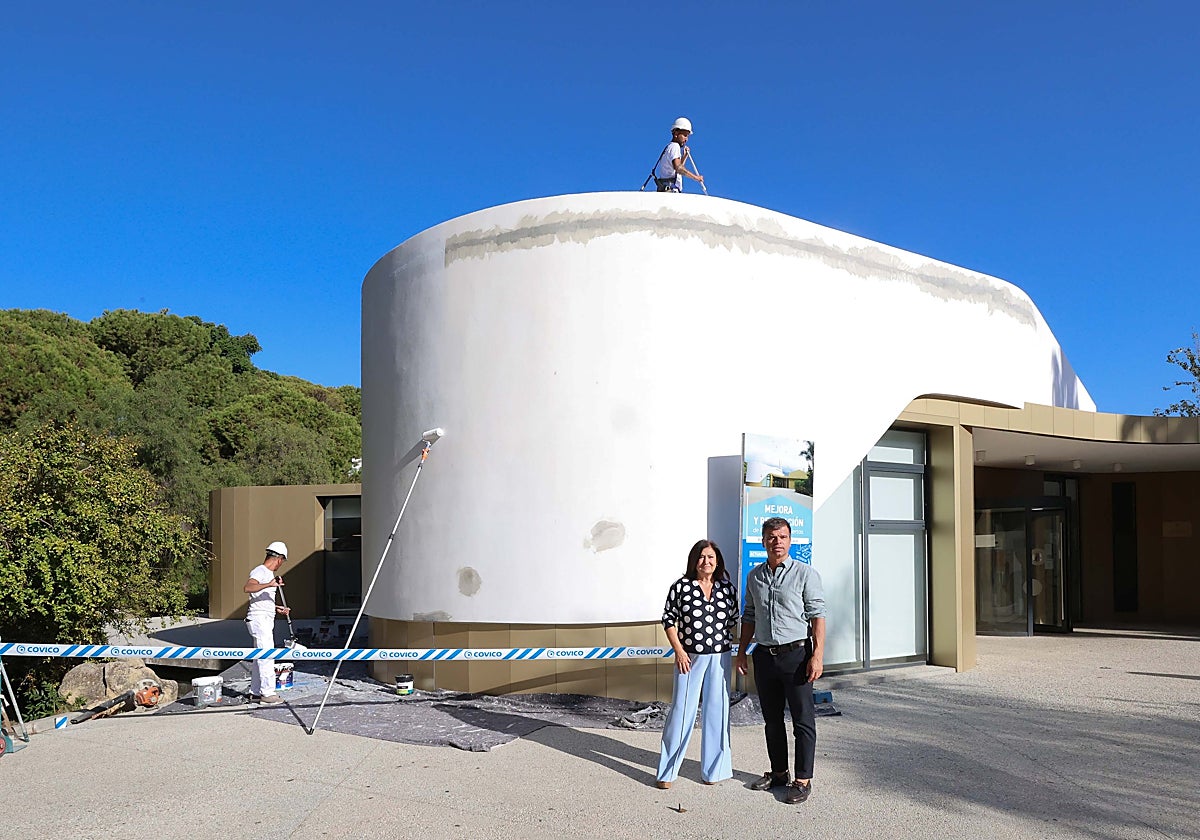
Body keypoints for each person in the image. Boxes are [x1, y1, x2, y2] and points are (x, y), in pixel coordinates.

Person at [735, 517, 826, 804]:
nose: (778, 542)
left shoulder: (805, 574)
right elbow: (749, 616)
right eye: (772, 537)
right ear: (763, 541)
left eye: (783, 537)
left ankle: (802, 779)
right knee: (772, 720)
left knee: (802, 720)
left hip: (797, 656)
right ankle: (778, 773)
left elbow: (817, 617)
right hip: (764, 657)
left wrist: (817, 655)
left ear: (790, 540)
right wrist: (741, 652)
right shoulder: (754, 577)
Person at [656, 539, 738, 789]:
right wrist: (679, 651)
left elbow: (734, 619)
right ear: (694, 560)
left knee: (718, 713)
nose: (707, 562)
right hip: (689, 658)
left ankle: (714, 771)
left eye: (711, 557)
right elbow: (669, 620)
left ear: (717, 561)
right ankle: (667, 773)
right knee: (682, 712)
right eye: (702, 557)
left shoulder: (726, 587)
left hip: (720, 657)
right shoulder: (681, 587)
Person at [242, 540, 291, 704]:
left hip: (263, 617)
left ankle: (255, 692)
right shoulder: (261, 571)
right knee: (267, 655)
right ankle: (268, 693)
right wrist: (270, 584)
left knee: (259, 656)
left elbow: (259, 598)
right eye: (282, 561)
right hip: (259, 619)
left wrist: (276, 607)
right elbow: (248, 587)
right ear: (279, 559)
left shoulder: (267, 575)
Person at [652, 117, 705, 193]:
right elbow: (678, 168)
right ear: (676, 134)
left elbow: (676, 170)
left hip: (667, 189)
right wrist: (696, 177)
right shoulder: (675, 146)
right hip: (671, 191)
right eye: (685, 135)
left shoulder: (669, 147)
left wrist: (684, 156)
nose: (686, 139)